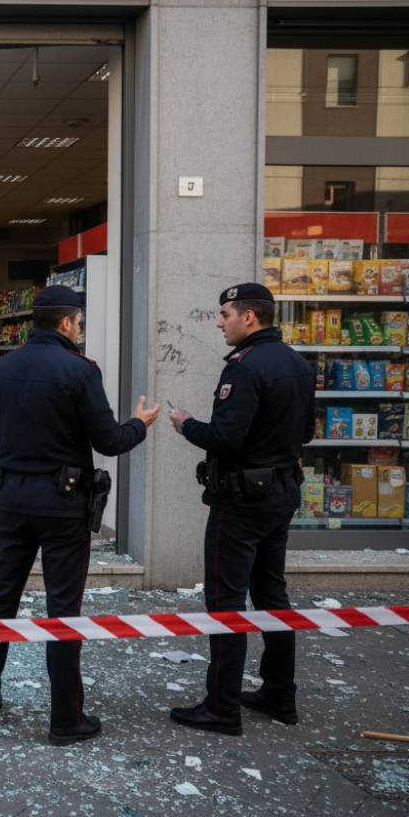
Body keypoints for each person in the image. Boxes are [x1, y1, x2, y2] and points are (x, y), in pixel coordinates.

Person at [0, 285, 159, 746]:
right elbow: (109, 441)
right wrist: (141, 424)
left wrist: (0, 490)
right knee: (63, 612)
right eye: (79, 321)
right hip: (63, 506)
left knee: (0, 600)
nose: (80, 328)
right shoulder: (80, 372)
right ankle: (65, 719)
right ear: (65, 323)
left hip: (14, 503)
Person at [167, 283, 314, 735]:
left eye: (225, 313)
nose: (218, 322)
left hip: (241, 501)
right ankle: (279, 694)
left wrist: (186, 424)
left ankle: (221, 706)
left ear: (249, 317)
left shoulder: (244, 369)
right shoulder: (296, 362)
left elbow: (225, 437)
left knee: (226, 602)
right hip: (282, 492)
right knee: (273, 596)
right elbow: (306, 431)